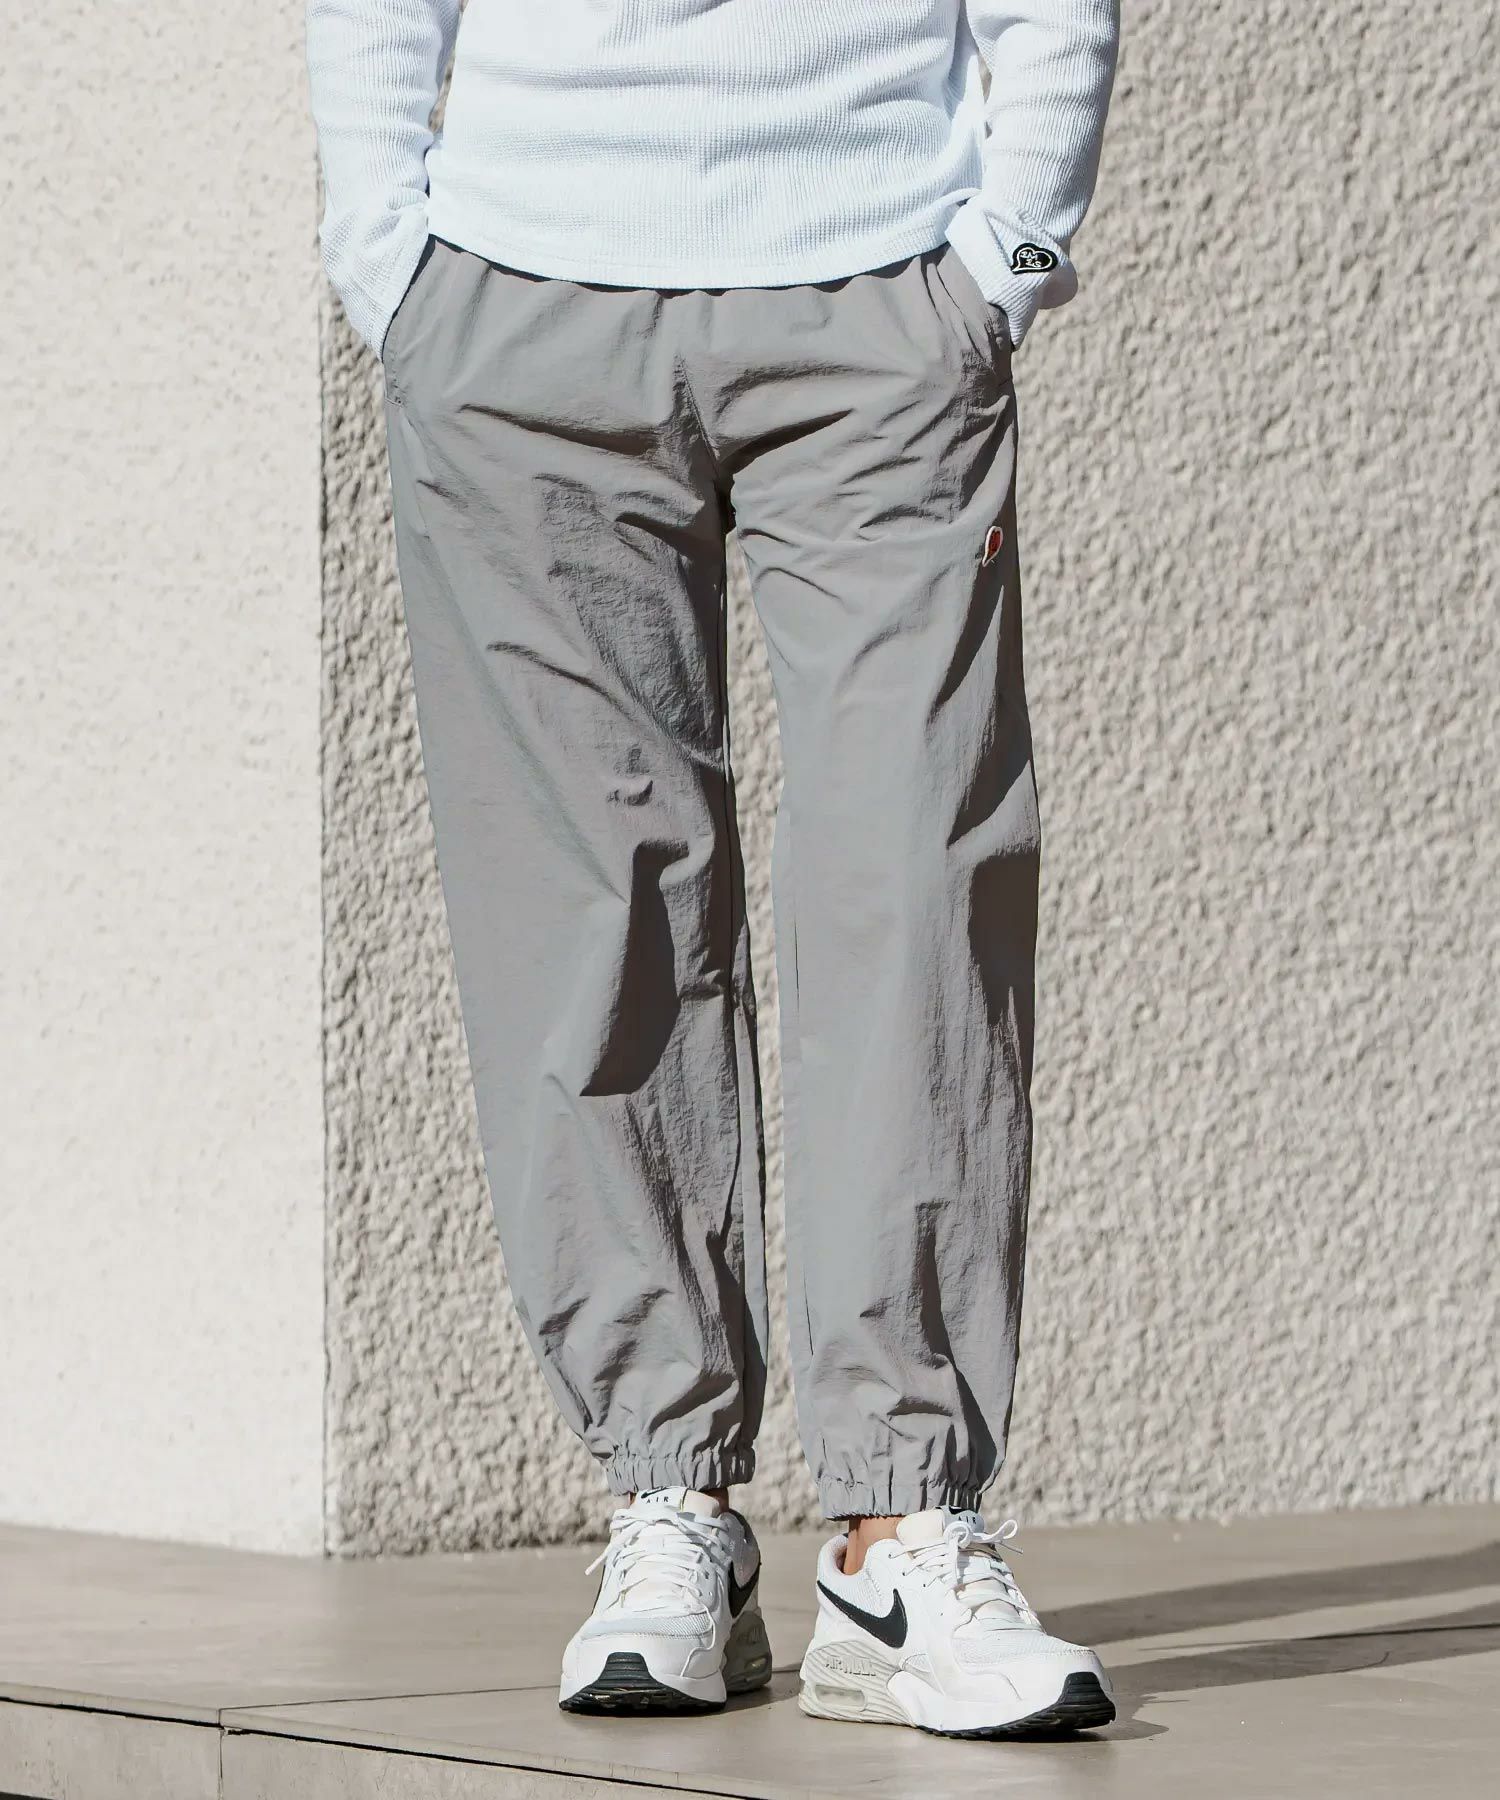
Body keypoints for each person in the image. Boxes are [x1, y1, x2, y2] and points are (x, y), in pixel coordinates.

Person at [307, 0, 1120, 1739]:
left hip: (881, 286)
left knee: (916, 887)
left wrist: (1008, 251)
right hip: (518, 301)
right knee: (595, 913)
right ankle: (670, 1499)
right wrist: (391, 261)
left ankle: (901, 1527)